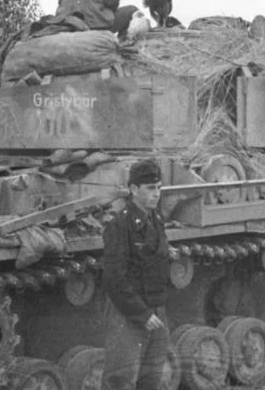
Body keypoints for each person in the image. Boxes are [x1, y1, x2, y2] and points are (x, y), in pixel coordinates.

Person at [101, 159, 170, 389]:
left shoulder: (156, 220)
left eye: (159, 187)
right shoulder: (120, 225)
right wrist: (142, 314)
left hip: (155, 309)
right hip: (130, 313)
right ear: (133, 189)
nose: (156, 194)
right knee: (121, 380)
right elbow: (114, 279)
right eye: (150, 188)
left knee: (151, 377)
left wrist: (155, 311)